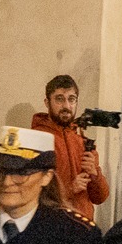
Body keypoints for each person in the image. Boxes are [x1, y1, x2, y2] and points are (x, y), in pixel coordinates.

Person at [31, 74, 109, 223]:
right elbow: (30, 192)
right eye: (59, 99)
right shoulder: (36, 138)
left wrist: (94, 174)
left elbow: (100, 198)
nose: (66, 106)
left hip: (83, 228)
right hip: (51, 226)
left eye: (71, 99)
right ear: (47, 102)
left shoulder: (83, 141)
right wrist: (69, 189)